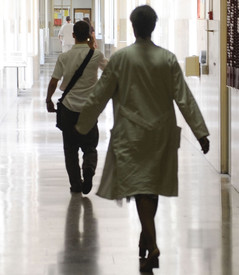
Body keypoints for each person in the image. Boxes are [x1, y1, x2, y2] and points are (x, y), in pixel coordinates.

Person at [75, 5, 210, 273]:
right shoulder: (168, 59)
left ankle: (154, 243)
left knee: (140, 187)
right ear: (153, 27)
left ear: (134, 27)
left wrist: (82, 125)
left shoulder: (121, 59)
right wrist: (200, 132)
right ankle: (146, 236)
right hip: (161, 134)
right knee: (151, 185)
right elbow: (185, 98)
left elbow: (100, 94)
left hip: (131, 134)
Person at [46, 21, 108, 194]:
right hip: (88, 109)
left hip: (68, 109)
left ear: (73, 35)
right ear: (90, 34)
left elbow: (53, 81)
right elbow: (110, 70)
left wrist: (48, 100)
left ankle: (75, 185)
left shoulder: (64, 57)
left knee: (70, 150)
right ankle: (88, 170)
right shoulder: (96, 54)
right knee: (90, 147)